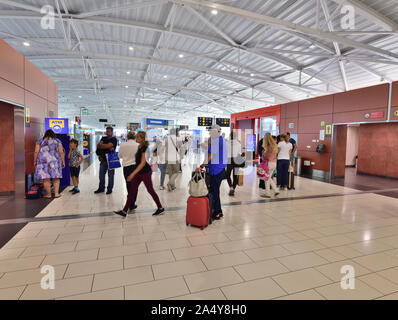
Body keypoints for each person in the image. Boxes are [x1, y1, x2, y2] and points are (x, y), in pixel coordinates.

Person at [114, 131, 165, 217]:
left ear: (142, 139)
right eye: (136, 137)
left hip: (145, 172)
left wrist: (132, 174)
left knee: (150, 190)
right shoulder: (139, 147)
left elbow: (142, 163)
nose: (136, 138)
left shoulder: (144, 148)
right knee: (132, 191)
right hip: (139, 172)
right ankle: (124, 211)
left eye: (138, 137)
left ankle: (160, 208)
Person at [196, 124, 228, 220]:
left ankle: (218, 212)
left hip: (216, 171)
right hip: (220, 169)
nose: (210, 133)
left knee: (214, 191)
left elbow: (210, 156)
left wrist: (201, 166)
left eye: (211, 131)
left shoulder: (216, 141)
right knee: (213, 191)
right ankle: (213, 209)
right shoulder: (222, 140)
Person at [34, 129, 65, 198]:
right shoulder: (57, 141)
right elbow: (61, 152)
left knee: (46, 179)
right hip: (55, 161)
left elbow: (36, 151)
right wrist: (63, 161)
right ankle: (56, 193)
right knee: (56, 178)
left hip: (43, 162)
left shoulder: (40, 140)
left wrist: (35, 161)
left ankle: (48, 194)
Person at [118, 131, 139, 212]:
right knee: (135, 186)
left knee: (128, 185)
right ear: (135, 137)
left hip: (126, 167)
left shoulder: (122, 145)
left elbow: (119, 156)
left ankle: (130, 202)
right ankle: (132, 203)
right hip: (135, 167)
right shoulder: (138, 145)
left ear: (127, 137)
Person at [94, 127, 118, 195]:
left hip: (111, 160)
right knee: (101, 175)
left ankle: (109, 189)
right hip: (103, 159)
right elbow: (98, 146)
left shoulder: (114, 139)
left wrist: (103, 146)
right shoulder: (103, 138)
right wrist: (105, 146)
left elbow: (107, 146)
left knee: (111, 175)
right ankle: (101, 188)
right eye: (107, 131)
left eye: (109, 131)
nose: (107, 132)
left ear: (112, 132)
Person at [226, 131, 242, 196]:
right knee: (235, 176)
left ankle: (231, 187)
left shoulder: (227, 143)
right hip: (236, 160)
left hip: (229, 160)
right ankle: (233, 188)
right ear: (235, 136)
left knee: (227, 175)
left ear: (230, 136)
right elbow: (240, 153)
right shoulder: (239, 143)